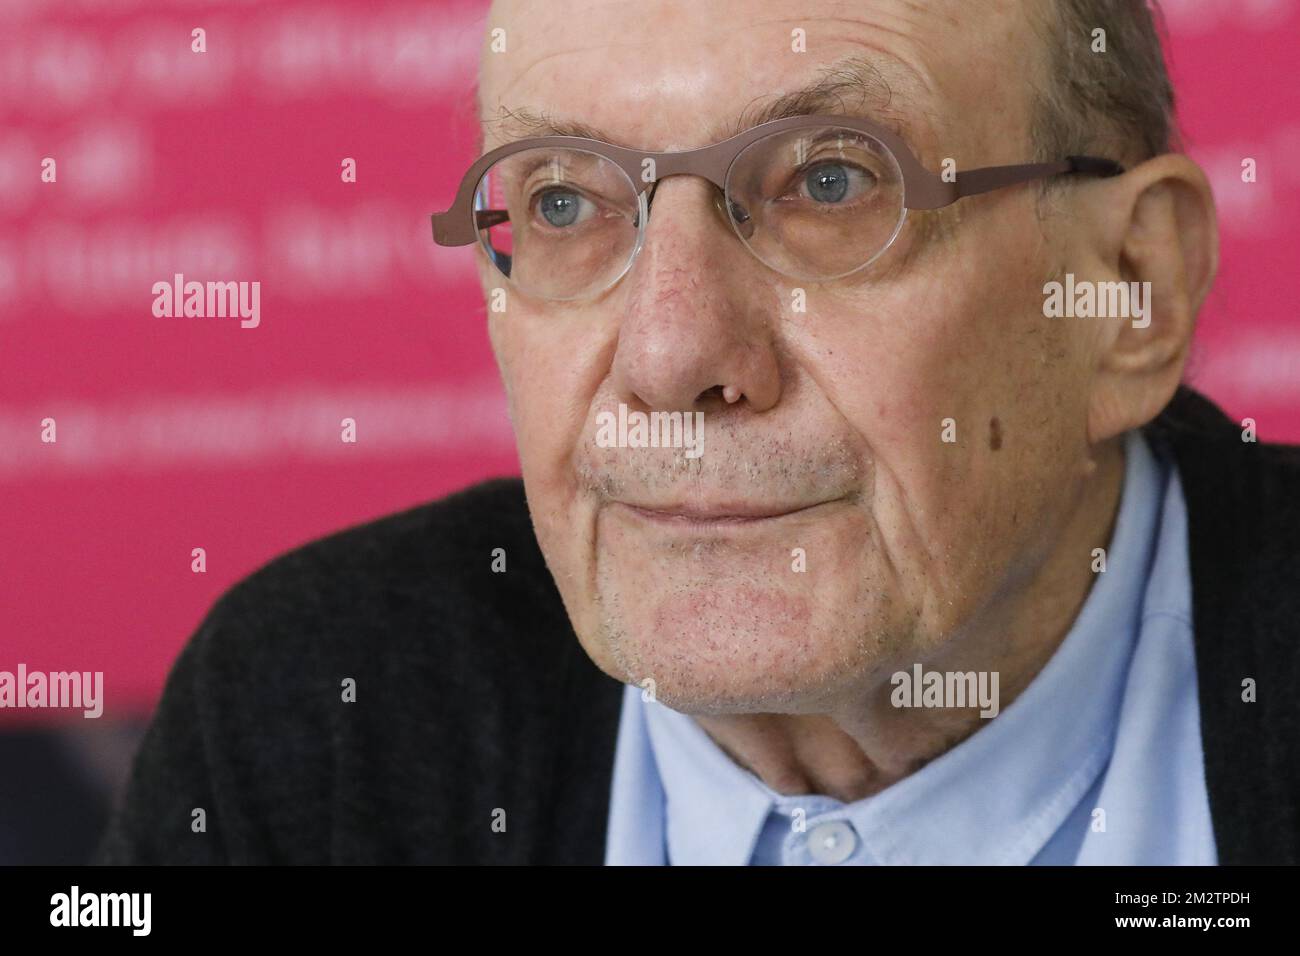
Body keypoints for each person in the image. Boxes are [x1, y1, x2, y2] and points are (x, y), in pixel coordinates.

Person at [96, 0, 1300, 865]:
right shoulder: (314, 720)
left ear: (1127, 291)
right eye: (565, 200)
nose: (670, 356)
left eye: (832, 183)